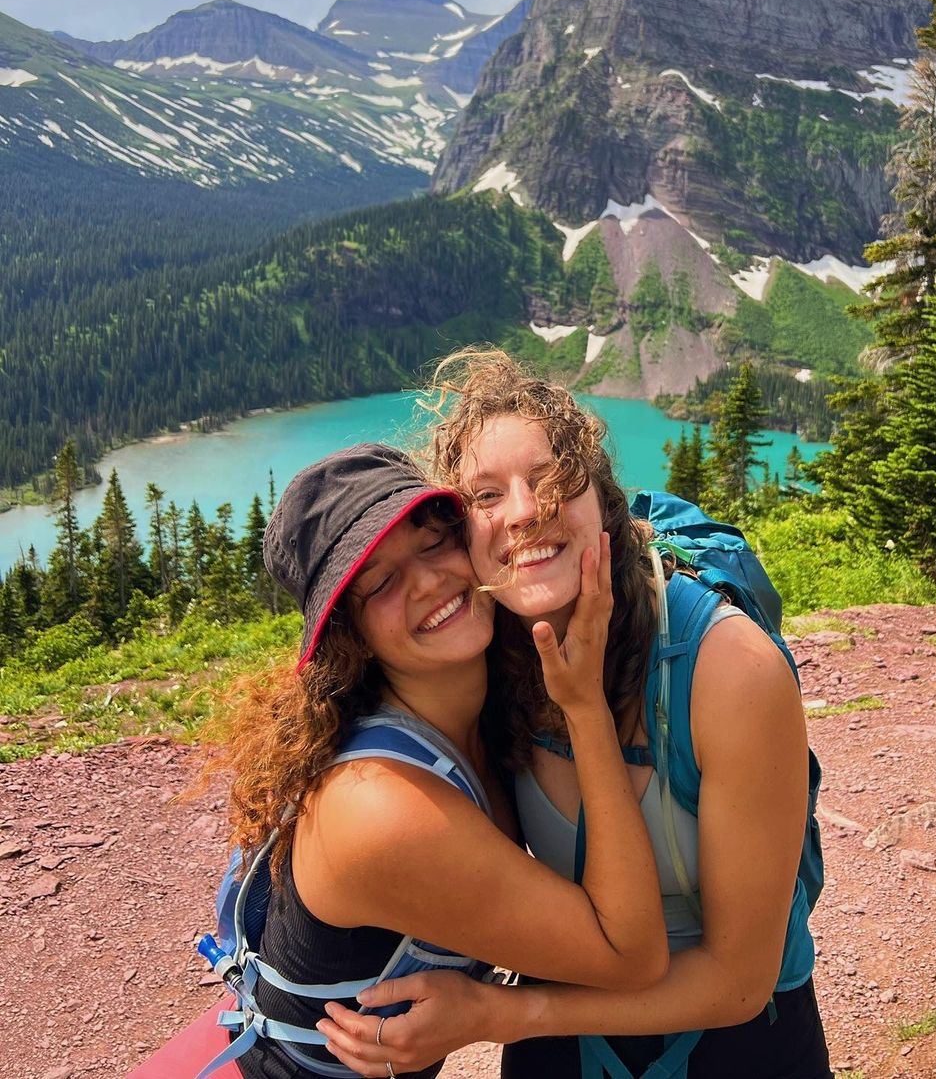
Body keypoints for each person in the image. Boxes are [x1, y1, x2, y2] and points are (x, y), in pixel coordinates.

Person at [318, 354, 831, 1079]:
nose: (525, 511)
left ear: (603, 501)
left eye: (553, 477)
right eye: (486, 496)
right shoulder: (486, 659)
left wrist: (498, 1013)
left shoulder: (726, 668)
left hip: (739, 1037)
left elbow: (740, 982)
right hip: (567, 1029)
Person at [208, 441, 668, 1079]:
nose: (428, 581)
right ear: (350, 633)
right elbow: (630, 956)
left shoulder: (483, 695)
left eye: (434, 543)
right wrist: (584, 707)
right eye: (380, 584)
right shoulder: (380, 806)